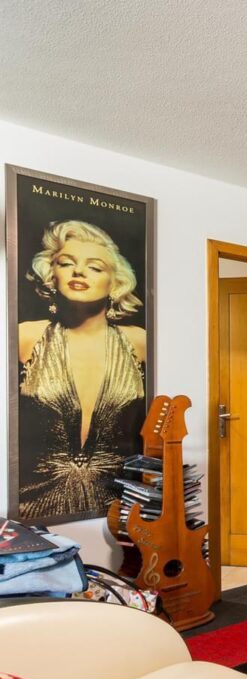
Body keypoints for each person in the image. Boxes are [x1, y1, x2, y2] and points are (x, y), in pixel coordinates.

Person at [17, 220, 146, 519]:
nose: (79, 272)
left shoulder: (139, 342)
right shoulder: (25, 337)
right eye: (66, 263)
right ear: (52, 275)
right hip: (32, 506)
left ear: (115, 283)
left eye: (95, 267)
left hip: (120, 509)